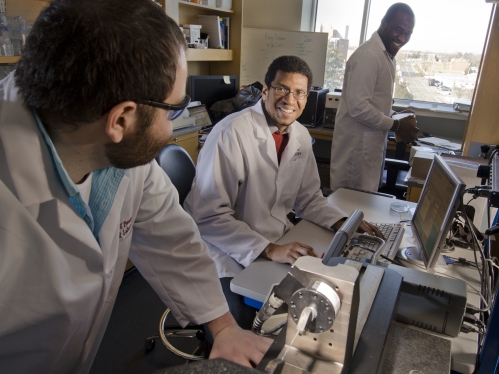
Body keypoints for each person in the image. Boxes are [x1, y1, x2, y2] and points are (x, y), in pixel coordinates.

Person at [0, 0, 272, 372]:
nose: (172, 126)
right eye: (173, 111)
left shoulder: (120, 159)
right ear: (121, 119)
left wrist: (224, 328)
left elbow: (172, 239)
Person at [184, 55, 383, 330]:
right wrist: (269, 249)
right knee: (244, 321)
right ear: (265, 90)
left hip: (277, 242)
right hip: (223, 251)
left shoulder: (300, 135)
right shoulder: (231, 134)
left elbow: (309, 198)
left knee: (315, 298)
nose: (290, 99)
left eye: (299, 92)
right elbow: (208, 216)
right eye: (282, 89)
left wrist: (344, 223)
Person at [330, 3, 418, 193]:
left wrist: (396, 115)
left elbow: (375, 102)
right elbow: (358, 107)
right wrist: (395, 125)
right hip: (355, 154)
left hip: (368, 151)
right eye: (398, 29)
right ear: (384, 23)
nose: (402, 38)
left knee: (363, 210)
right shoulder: (369, 55)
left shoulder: (385, 56)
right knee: (349, 212)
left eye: (408, 33)